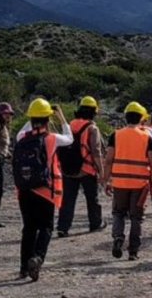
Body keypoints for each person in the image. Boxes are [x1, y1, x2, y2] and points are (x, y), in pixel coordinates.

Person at [15, 98, 73, 281]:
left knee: (29, 229)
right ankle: (37, 258)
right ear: (48, 120)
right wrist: (61, 116)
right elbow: (70, 138)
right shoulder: (52, 139)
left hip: (24, 190)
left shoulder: (21, 137)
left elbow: (24, 130)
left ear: (31, 119)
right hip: (45, 190)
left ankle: (24, 268)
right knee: (46, 227)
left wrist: (35, 115)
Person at [102, 101, 152, 261]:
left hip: (119, 182)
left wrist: (106, 181)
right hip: (140, 184)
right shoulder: (147, 137)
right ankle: (133, 251)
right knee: (136, 217)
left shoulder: (116, 135)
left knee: (118, 213)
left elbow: (108, 160)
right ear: (141, 118)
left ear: (126, 117)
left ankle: (118, 238)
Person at [57, 96, 107, 238]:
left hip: (68, 168)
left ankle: (63, 227)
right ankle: (95, 223)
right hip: (86, 169)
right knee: (92, 198)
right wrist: (101, 172)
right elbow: (96, 152)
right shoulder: (92, 128)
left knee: (67, 199)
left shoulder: (70, 124)